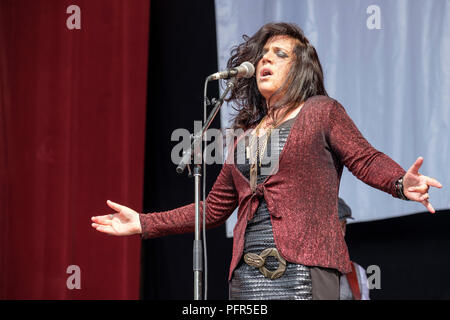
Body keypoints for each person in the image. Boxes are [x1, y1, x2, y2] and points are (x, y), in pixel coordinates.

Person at [91, 22, 442, 300]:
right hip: (246, 275)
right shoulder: (244, 134)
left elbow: (365, 159)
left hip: (306, 268)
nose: (265, 60)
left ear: (300, 68)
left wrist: (399, 182)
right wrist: (144, 223)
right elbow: (212, 210)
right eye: (262, 55)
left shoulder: (322, 111)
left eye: (279, 54)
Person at [337, 198, 370, 300]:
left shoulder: (357, 271)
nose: (342, 233)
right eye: (336, 227)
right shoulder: (304, 269)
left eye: (343, 226)